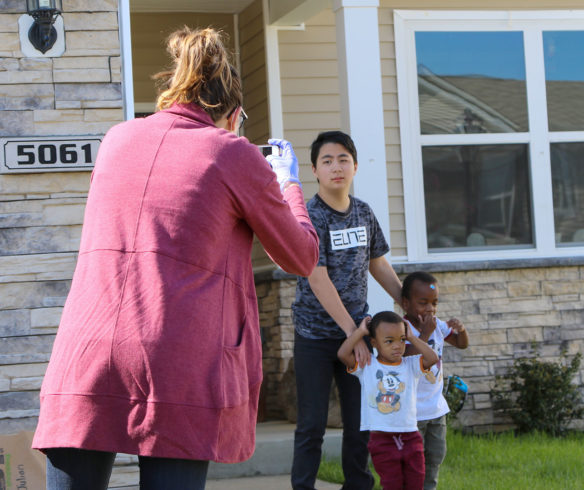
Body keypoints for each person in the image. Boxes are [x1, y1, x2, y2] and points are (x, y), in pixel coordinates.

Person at [32, 27, 319, 490]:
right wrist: (287, 184)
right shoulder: (233, 153)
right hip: (176, 362)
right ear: (234, 112)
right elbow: (301, 256)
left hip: (84, 353)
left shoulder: (117, 141)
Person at [291, 131, 402, 490]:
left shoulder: (363, 212)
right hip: (315, 337)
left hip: (357, 335)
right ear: (314, 170)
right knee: (312, 424)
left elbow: (378, 264)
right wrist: (352, 333)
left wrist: (409, 303)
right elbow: (318, 279)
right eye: (327, 161)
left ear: (354, 166)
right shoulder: (309, 216)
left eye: (343, 159)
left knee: (361, 422)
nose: (336, 167)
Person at [338, 311, 438, 490]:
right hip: (381, 439)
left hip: (410, 436)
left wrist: (412, 338)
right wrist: (360, 332)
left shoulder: (410, 364)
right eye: (389, 341)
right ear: (374, 343)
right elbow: (343, 354)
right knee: (392, 483)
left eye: (401, 339)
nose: (397, 346)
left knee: (416, 482)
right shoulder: (367, 366)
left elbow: (432, 358)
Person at [401, 271, 469, 490]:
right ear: (405, 303)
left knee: (435, 457)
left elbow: (460, 343)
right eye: (423, 303)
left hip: (436, 408)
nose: (430, 308)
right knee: (413, 462)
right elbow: (406, 354)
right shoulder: (402, 329)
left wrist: (462, 330)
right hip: (413, 412)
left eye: (434, 302)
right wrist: (424, 334)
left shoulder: (437, 325)